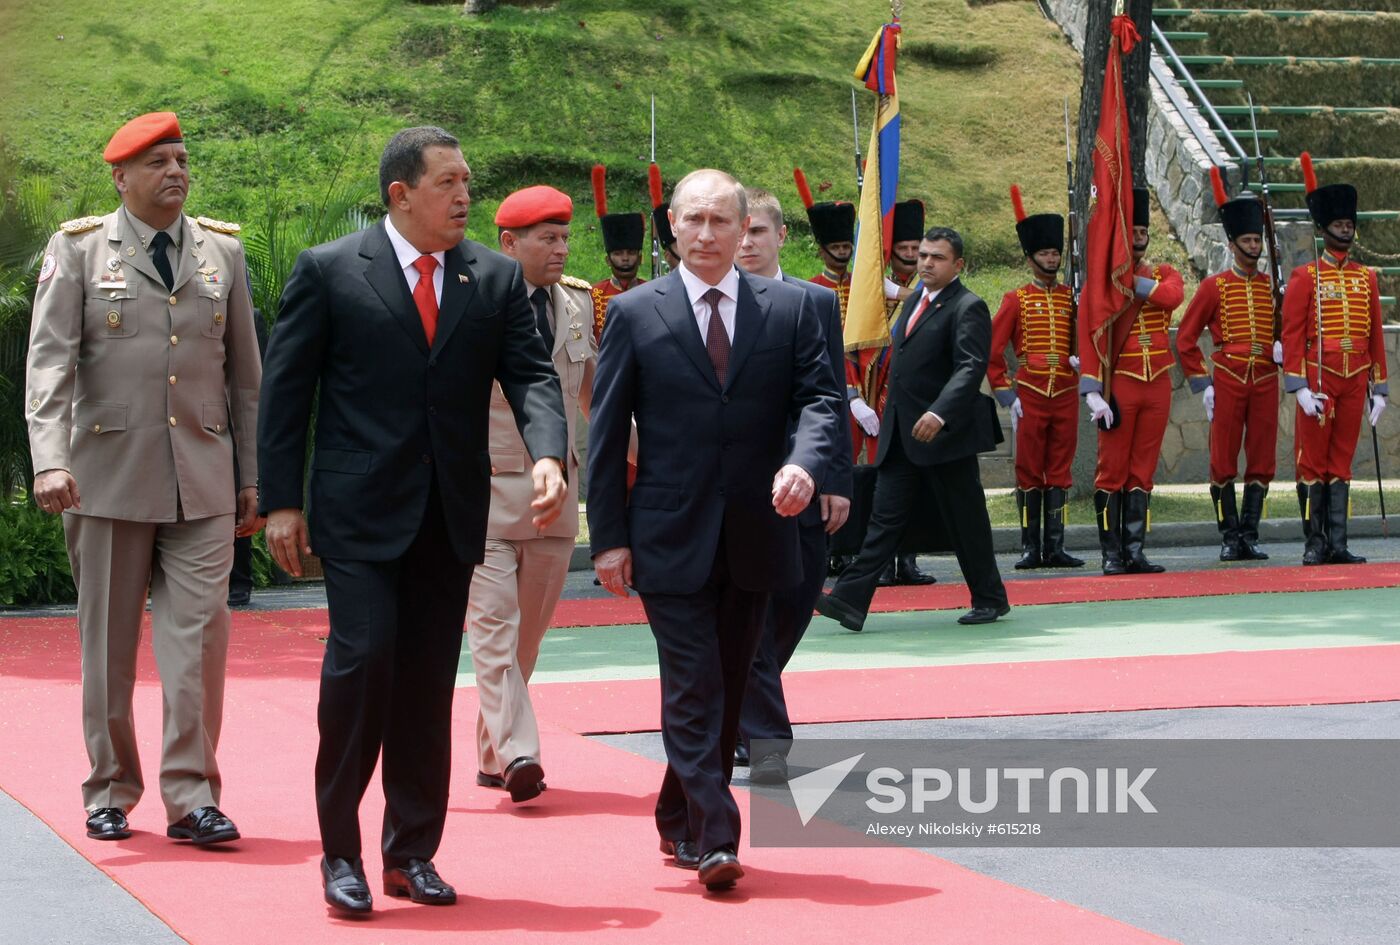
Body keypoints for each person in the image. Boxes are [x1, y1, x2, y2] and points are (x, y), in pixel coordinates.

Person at [257, 126, 569, 915]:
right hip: (359, 514)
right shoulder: (331, 271)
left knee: (429, 682)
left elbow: (532, 375)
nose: (466, 195)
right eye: (448, 183)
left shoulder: (492, 278)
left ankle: (410, 852)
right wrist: (281, 500)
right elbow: (287, 394)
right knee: (363, 665)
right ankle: (340, 852)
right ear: (401, 194)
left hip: (450, 515)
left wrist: (548, 453)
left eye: (468, 180)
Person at [587, 169, 841, 891]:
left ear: (744, 230)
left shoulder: (789, 308)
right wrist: (608, 536)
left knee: (729, 685)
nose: (705, 235)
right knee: (695, 680)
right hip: (668, 532)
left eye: (720, 222)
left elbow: (823, 400)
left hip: (760, 528)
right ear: (671, 226)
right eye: (692, 220)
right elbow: (606, 436)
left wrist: (805, 464)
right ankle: (716, 833)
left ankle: (677, 811)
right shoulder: (636, 312)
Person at [25, 111, 262, 846]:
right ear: (120, 176)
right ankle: (110, 789)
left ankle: (192, 796)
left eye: (183, 159)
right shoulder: (81, 251)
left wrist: (253, 476)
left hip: (203, 478)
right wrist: (50, 459)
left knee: (197, 641)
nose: (177, 172)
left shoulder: (222, 252)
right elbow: (50, 363)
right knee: (108, 644)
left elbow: (246, 378)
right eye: (158, 161)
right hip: (105, 477)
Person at [467, 185, 595, 803]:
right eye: (547, 238)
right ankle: (521, 752)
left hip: (555, 498)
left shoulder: (577, 306)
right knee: (493, 631)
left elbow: (590, 402)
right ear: (508, 243)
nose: (561, 249)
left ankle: (493, 757)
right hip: (484, 493)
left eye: (565, 237)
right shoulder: (473, 301)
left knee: (525, 640)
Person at [815, 227, 1011, 631]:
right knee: (884, 520)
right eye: (922, 255)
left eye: (936, 258)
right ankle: (850, 601)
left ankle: (990, 598)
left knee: (966, 519)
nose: (925, 263)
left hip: (943, 437)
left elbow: (970, 366)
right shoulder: (916, 301)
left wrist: (939, 414)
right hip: (901, 434)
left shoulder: (967, 306)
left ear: (958, 265)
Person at [733, 188, 853, 785]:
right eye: (741, 232)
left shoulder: (815, 302)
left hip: (804, 484)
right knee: (747, 613)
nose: (747, 243)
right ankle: (764, 735)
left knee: (797, 603)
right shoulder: (711, 303)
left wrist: (836, 478)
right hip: (734, 488)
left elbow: (831, 395)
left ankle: (735, 708)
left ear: (781, 237)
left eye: (758, 232)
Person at [1281, 153, 1387, 565]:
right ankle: (1315, 541)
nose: (1346, 230)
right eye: (1339, 225)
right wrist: (1299, 386)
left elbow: (1375, 335)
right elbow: (1291, 334)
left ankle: (1338, 543)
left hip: (1355, 378)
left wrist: (1379, 389)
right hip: (1319, 380)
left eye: (1349, 225)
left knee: (1341, 463)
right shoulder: (1305, 277)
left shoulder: (1367, 277)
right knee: (1313, 463)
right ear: (1324, 230)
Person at [1176, 168, 1281, 562]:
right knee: (1222, 459)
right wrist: (1203, 384)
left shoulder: (1273, 286)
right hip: (1230, 378)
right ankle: (1228, 535)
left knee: (1263, 457)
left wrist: (1282, 346)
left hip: (1266, 379)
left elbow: (1290, 331)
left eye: (1257, 239)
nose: (1254, 246)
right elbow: (1186, 338)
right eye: (1248, 240)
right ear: (1233, 243)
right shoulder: (1214, 287)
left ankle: (1249, 534)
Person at [1080, 189, 1184, 575]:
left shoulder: (1163, 274)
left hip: (1156, 381)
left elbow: (1172, 297)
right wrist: (1093, 393)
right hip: (1120, 381)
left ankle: (1134, 550)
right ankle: (1111, 554)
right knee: (1112, 469)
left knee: (1143, 470)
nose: (1138, 238)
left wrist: (1127, 280)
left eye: (1143, 232)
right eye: (1132, 232)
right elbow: (1089, 338)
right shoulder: (1098, 285)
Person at [988, 186, 1084, 570]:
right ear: (1030, 258)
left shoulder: (1071, 298)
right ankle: (1030, 547)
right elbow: (992, 350)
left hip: (1065, 388)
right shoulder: (1017, 299)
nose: (1052, 258)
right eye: (1044, 253)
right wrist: (1007, 394)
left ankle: (1055, 547)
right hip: (1029, 391)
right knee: (1028, 469)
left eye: (1055, 252)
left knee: (1059, 468)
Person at [588, 164, 646, 342]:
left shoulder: (651, 290)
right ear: (608, 260)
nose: (625, 259)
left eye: (631, 252)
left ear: (641, 258)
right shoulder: (593, 294)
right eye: (618, 253)